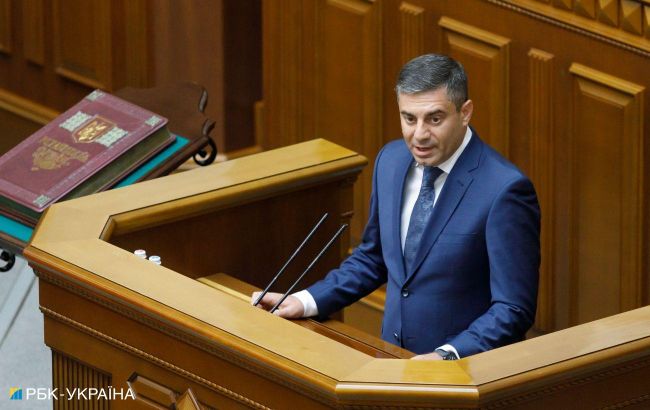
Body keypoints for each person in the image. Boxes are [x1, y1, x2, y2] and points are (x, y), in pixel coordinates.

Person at [253, 53, 540, 360]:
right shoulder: (390, 161)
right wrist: (306, 300)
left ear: (465, 112)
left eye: (435, 119)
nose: (419, 135)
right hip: (389, 361)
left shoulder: (504, 190)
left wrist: (447, 356)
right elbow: (373, 257)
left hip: (462, 374)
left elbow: (513, 307)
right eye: (409, 119)